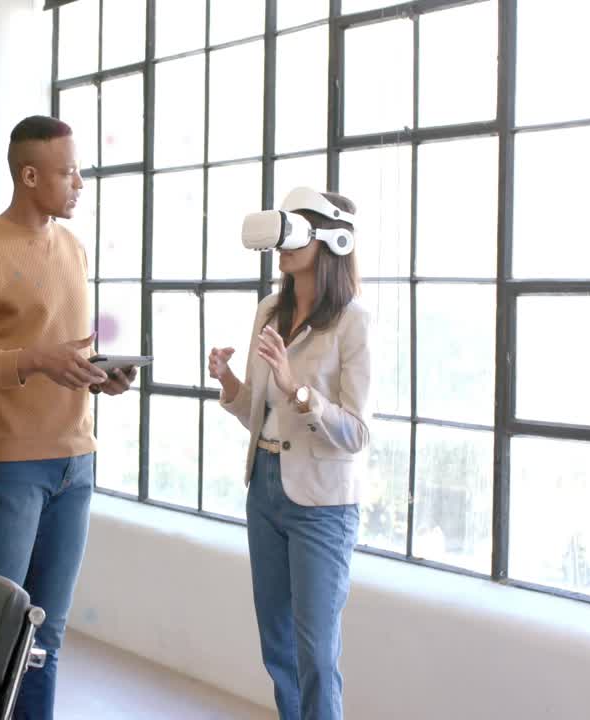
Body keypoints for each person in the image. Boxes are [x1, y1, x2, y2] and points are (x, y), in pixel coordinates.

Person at [0, 115, 136, 719]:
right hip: (10, 470)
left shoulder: (72, 248)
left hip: (76, 463)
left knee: (45, 640)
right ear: (28, 175)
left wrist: (98, 375)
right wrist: (36, 359)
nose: (80, 183)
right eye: (68, 172)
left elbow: (60, 352)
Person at [209, 188, 371, 720]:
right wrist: (228, 380)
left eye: (293, 233)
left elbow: (356, 433)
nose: (282, 245)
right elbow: (256, 412)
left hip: (322, 503)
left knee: (316, 653)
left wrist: (296, 388)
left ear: (331, 242)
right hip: (266, 485)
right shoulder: (269, 311)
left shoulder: (352, 321)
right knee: (277, 644)